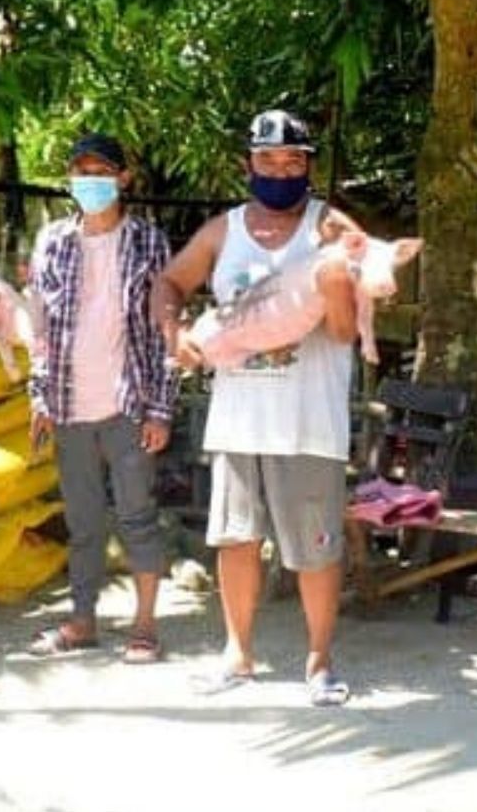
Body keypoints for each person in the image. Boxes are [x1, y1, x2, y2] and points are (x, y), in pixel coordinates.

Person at [154, 109, 360, 707]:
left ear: (308, 166)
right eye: (268, 160)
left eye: (293, 161)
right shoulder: (224, 231)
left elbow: (345, 334)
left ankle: (319, 662)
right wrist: (177, 335)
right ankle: (237, 654)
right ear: (249, 163)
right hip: (239, 416)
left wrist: (338, 290)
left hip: (309, 419)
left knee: (315, 546)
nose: (280, 171)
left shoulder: (330, 227)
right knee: (236, 539)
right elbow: (168, 283)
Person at [23, 134, 176, 662]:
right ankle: (82, 620)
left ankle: (145, 625)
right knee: (83, 521)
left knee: (137, 514)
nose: (90, 180)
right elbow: (39, 328)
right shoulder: (53, 241)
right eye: (81, 170)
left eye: (101, 171)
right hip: (68, 406)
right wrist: (39, 396)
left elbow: (163, 331)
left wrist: (160, 407)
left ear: (123, 178)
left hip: (128, 405)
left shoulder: (149, 242)